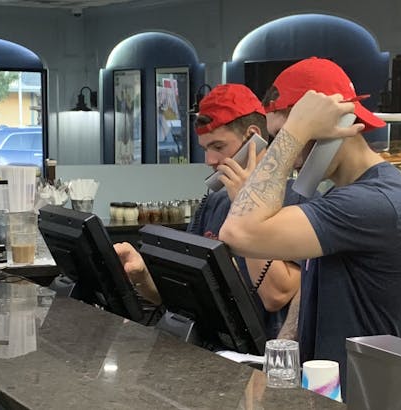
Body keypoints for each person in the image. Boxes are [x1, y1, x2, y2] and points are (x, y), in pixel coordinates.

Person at [220, 58, 401, 375]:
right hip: (323, 391)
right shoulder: (345, 195)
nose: (290, 157)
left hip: (356, 396)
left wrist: (296, 131)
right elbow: (308, 285)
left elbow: (239, 233)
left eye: (291, 136)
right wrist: (281, 362)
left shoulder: (377, 202)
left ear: (338, 126)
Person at [113, 84, 302, 338]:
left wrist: (244, 206)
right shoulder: (214, 203)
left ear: (253, 138)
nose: (209, 160)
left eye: (219, 147)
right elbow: (183, 295)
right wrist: (142, 275)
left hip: (262, 357)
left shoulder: (297, 199)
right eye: (205, 148)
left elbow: (277, 296)